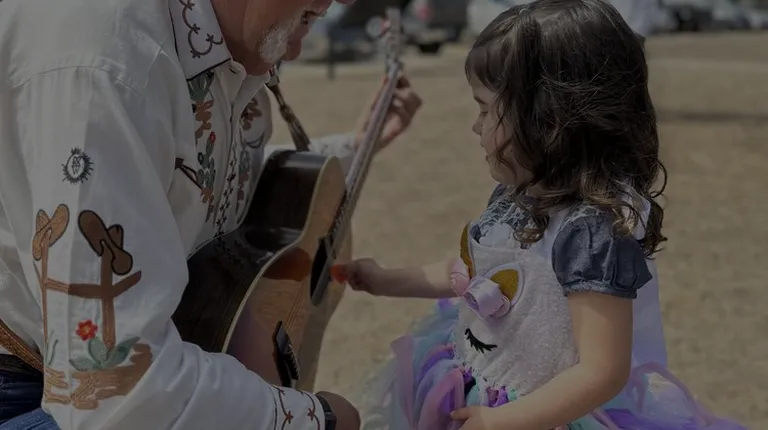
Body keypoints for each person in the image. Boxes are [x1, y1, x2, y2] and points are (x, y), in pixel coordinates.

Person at [0, 0, 422, 429]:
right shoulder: (107, 57)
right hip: (30, 388)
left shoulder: (219, 43)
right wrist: (318, 419)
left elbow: (191, 180)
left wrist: (352, 148)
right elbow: (116, 392)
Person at [334, 1, 747, 429]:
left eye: (485, 109)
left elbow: (602, 370)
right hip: (485, 384)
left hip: (546, 415)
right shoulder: (517, 196)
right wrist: (385, 280)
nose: (476, 126)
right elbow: (474, 274)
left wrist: (504, 421)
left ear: (549, 119)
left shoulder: (590, 235)